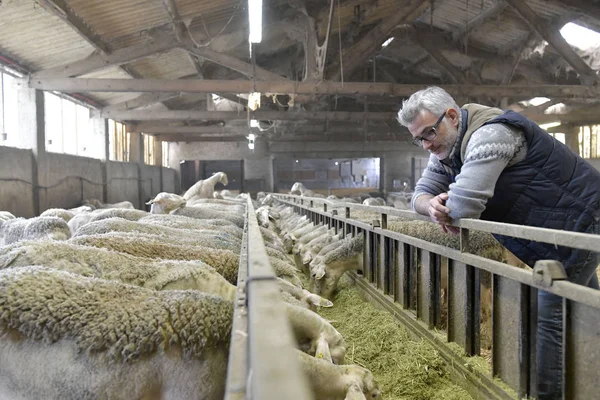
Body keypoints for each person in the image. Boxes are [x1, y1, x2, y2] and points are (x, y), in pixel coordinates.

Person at [397, 86, 600, 400]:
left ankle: (545, 395)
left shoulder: (492, 135)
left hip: (580, 220)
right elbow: (420, 195)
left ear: (451, 116)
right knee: (587, 301)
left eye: (428, 133)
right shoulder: (448, 148)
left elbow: (465, 206)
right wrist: (430, 205)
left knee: (548, 308)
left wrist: (443, 207)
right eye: (418, 139)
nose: (425, 145)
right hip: (548, 233)